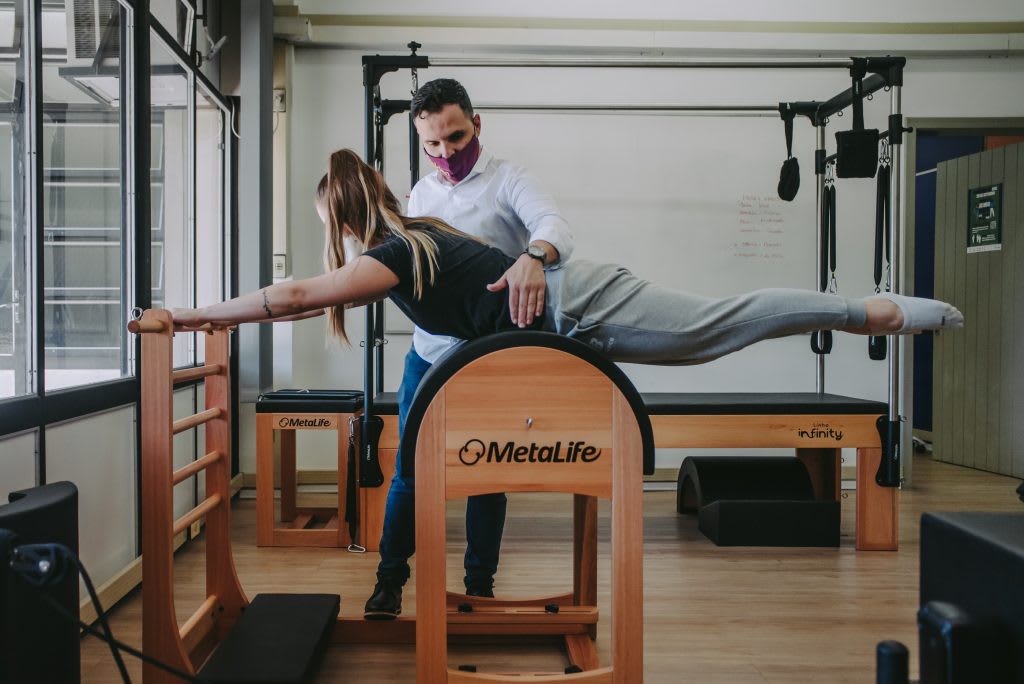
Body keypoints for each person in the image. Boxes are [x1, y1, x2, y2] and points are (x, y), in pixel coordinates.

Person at [173, 147, 963, 604]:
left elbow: (298, 297)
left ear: (342, 219)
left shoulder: (393, 254)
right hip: (563, 332)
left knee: (719, 326)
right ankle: (426, 580)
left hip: (586, 308)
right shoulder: (419, 234)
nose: (332, 245)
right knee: (719, 329)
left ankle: (875, 311)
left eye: (328, 231)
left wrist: (203, 315)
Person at [373, 78, 575, 616]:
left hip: (491, 361)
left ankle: (479, 589)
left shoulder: (509, 180)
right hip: (430, 355)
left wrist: (534, 255)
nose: (446, 155)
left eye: (456, 138)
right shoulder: (421, 193)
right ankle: (389, 583)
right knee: (409, 474)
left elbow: (556, 226)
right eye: (433, 145)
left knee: (487, 472)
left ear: (476, 124)